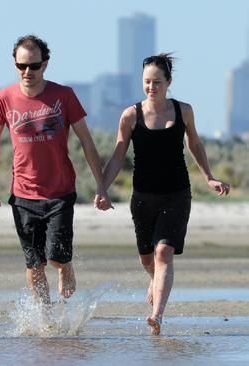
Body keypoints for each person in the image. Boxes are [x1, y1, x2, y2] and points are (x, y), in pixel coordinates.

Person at [99, 53, 231, 335]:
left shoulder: (183, 111)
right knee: (147, 259)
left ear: (169, 82)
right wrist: (102, 188)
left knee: (163, 251)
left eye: (157, 82)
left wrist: (208, 177)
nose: (151, 87)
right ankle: (155, 280)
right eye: (147, 81)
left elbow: (194, 142)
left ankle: (156, 315)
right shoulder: (130, 115)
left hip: (177, 193)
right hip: (143, 196)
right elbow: (118, 156)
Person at [0, 34, 110, 308]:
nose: (27, 72)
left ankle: (65, 266)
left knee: (55, 257)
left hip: (60, 192)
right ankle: (44, 315)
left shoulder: (63, 95)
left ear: (45, 64)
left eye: (33, 65)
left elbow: (86, 141)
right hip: (23, 195)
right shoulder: (4, 98)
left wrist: (101, 185)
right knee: (35, 263)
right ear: (15, 65)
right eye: (21, 66)